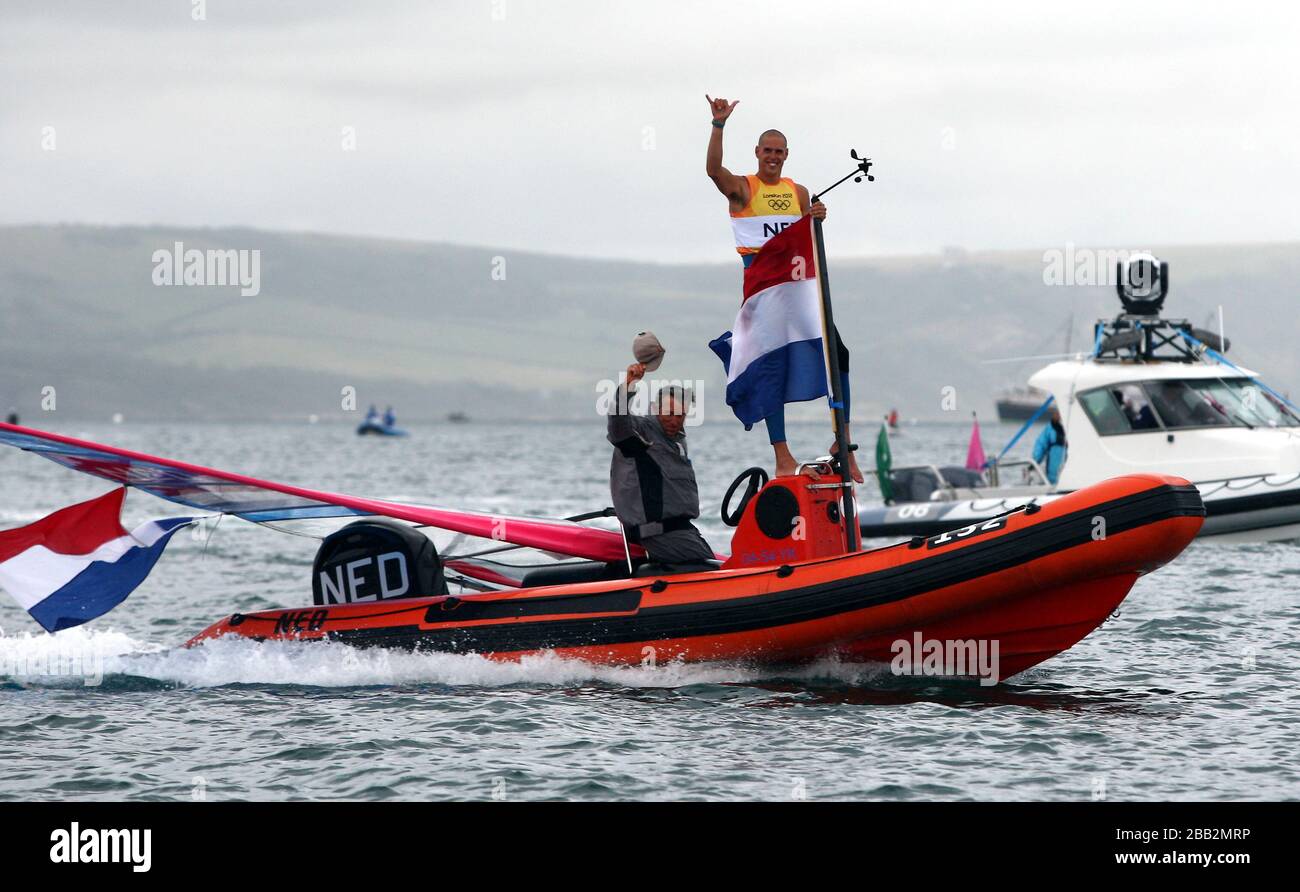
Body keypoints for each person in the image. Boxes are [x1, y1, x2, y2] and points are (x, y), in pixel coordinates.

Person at [704, 94, 861, 482]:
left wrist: (817, 217)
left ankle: (842, 441)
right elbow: (712, 170)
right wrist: (718, 124)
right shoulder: (742, 188)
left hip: (801, 292)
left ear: (786, 155)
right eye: (767, 151)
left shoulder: (799, 192)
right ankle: (782, 455)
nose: (772, 156)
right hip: (764, 294)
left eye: (779, 152)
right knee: (770, 369)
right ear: (757, 152)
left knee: (837, 356)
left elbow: (806, 234)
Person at [606, 361, 715, 568]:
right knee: (709, 569)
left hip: (683, 531)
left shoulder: (678, 440)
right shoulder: (640, 432)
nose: (675, 421)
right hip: (657, 534)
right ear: (656, 408)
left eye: (680, 415)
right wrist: (628, 386)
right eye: (669, 414)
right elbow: (617, 425)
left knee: (718, 564)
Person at [1033, 406, 1068, 485]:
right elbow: (1040, 446)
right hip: (1053, 472)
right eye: (1056, 413)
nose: (1057, 415)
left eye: (1058, 413)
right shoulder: (1049, 429)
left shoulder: (1066, 428)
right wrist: (1035, 462)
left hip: (1066, 469)